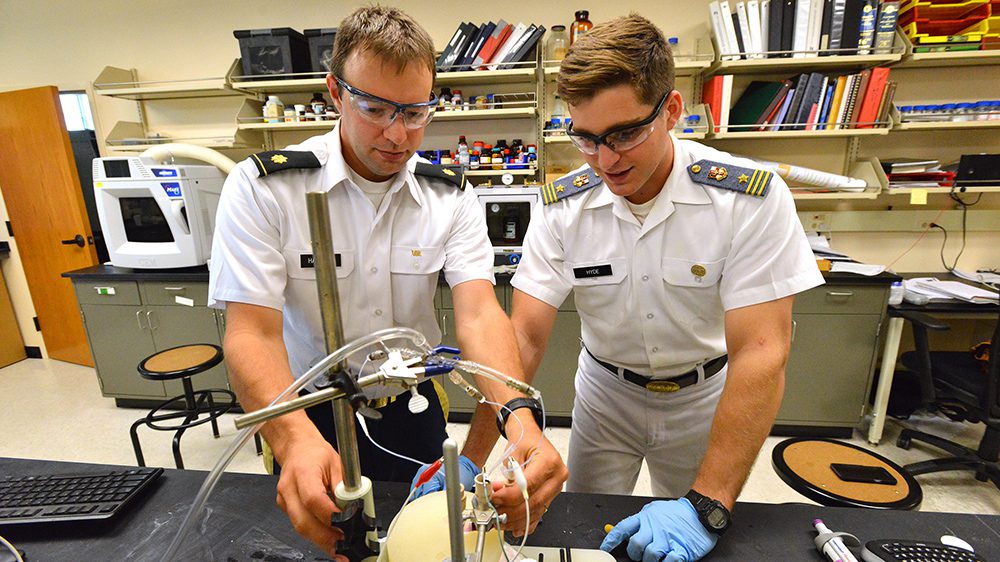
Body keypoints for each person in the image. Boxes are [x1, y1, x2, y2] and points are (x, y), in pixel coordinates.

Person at [208, 6, 565, 559]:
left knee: (430, 544)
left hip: (414, 410)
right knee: (326, 545)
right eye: (374, 108)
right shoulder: (266, 188)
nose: (398, 135)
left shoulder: (450, 195)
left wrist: (520, 420)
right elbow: (251, 333)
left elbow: (478, 315)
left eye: (417, 112)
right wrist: (295, 439)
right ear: (335, 92)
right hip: (311, 414)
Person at [509, 14, 825, 562]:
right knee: (587, 533)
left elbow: (763, 349)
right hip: (605, 396)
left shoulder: (748, 199)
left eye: (625, 134)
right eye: (585, 139)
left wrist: (708, 504)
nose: (605, 160)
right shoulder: (565, 206)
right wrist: (484, 447)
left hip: (704, 398)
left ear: (672, 110)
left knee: (697, 536)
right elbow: (524, 340)